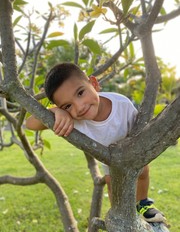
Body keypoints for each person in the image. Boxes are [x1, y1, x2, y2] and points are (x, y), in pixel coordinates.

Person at [26, 62, 165, 223]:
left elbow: (140, 129)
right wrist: (55, 111)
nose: (79, 107)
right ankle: (120, 211)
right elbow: (30, 124)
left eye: (80, 93)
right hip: (108, 158)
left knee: (143, 172)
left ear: (93, 83)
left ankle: (143, 204)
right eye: (68, 105)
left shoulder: (122, 105)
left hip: (130, 150)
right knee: (112, 183)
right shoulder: (70, 117)